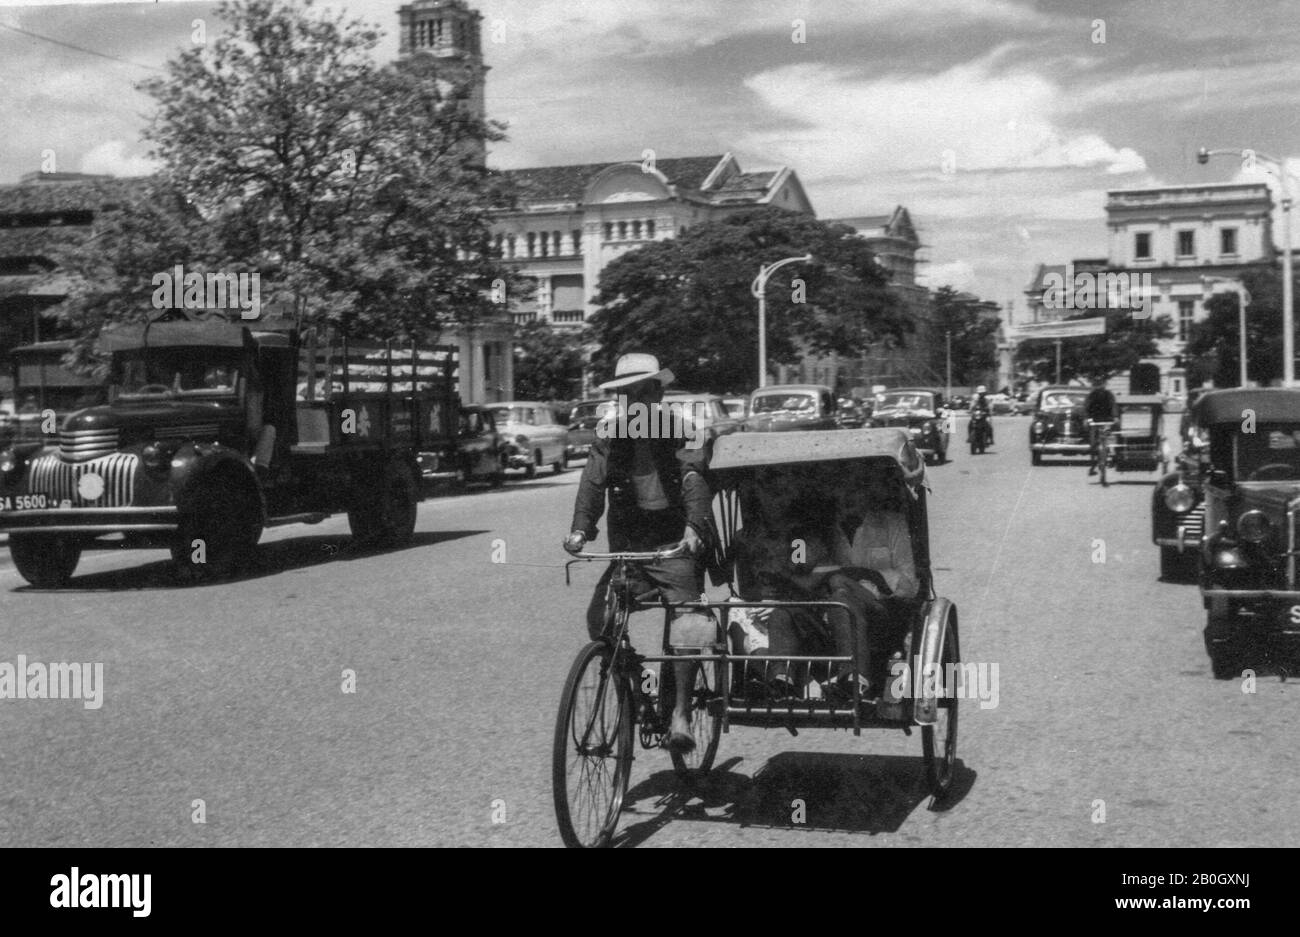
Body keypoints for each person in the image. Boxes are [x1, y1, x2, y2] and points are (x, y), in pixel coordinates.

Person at [564, 352, 713, 754]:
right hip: (629, 548)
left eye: (640, 394)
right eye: (624, 397)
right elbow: (592, 486)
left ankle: (681, 713)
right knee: (600, 620)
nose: (633, 404)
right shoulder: (609, 437)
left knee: (687, 623)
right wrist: (580, 530)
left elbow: (693, 477)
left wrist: (694, 527)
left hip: (674, 543)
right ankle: (630, 682)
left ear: (657, 393)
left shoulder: (684, 430)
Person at [829, 473, 919, 694]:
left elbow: (907, 581)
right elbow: (805, 566)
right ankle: (854, 677)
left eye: (853, 490)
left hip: (884, 606)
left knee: (840, 585)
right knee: (839, 593)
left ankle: (857, 675)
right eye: (841, 490)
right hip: (835, 609)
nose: (847, 497)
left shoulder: (892, 524)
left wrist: (873, 582)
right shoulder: (827, 531)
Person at [1084, 377, 1118, 476]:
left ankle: (1112, 456)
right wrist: (1086, 418)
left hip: (1107, 420)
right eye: (1097, 384)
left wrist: (1115, 416)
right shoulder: (1091, 395)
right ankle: (1092, 465)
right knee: (1092, 443)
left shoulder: (1109, 395)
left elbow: (1113, 405)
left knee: (1111, 439)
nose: (1099, 386)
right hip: (1095, 421)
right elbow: (1086, 407)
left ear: (1104, 384)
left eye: (1101, 384)